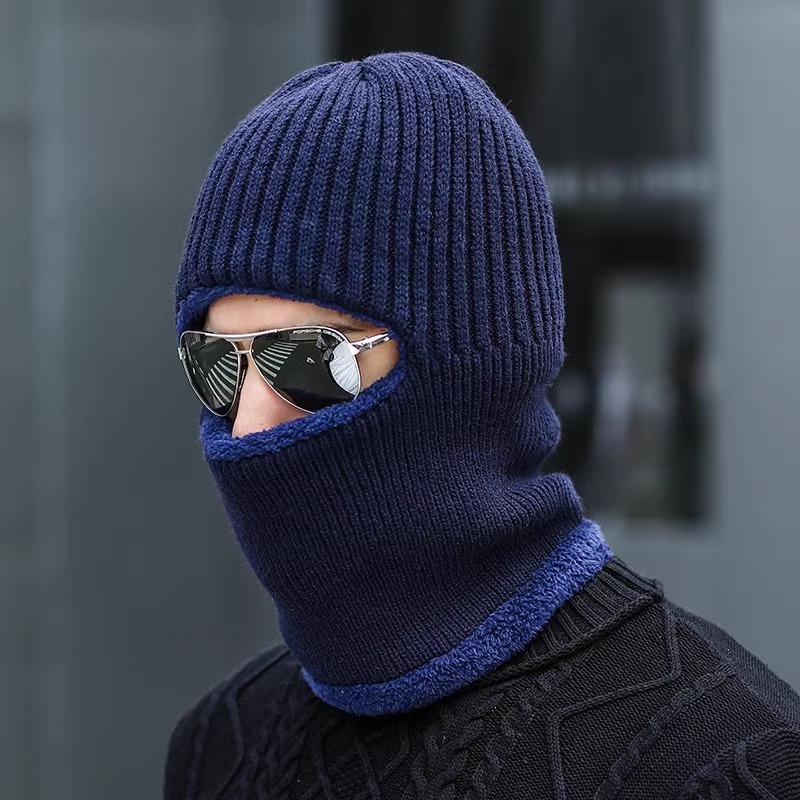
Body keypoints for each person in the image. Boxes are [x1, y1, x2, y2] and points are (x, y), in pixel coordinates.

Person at [164, 52, 800, 799]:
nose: (248, 425)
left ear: (473, 362)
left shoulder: (728, 760)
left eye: (308, 360)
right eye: (217, 365)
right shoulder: (220, 744)